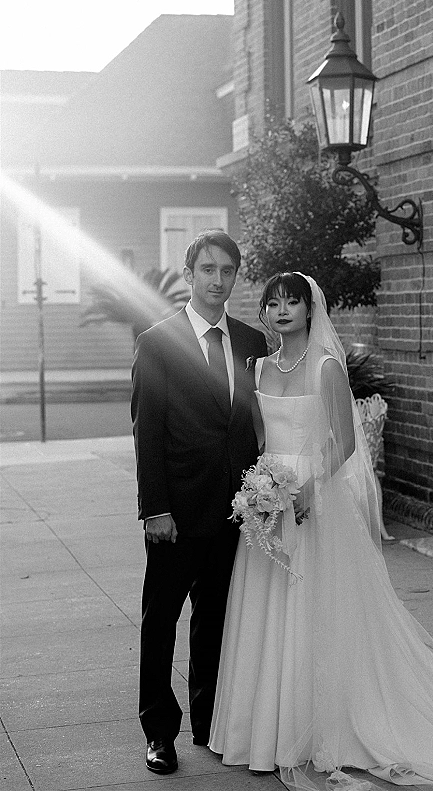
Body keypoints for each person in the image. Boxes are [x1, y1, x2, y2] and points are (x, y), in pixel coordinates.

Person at [209, 271, 433, 791]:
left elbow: (343, 443)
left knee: (317, 615)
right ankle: (265, 732)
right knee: (267, 611)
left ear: (310, 311)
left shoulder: (327, 368)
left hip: (315, 503)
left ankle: (317, 729)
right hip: (270, 508)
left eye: (293, 302)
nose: (283, 311)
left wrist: (307, 489)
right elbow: (261, 438)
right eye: (273, 304)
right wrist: (261, 490)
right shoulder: (260, 369)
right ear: (265, 314)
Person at [131, 229, 267, 774]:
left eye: (227, 271)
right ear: (189, 276)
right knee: (160, 622)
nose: (217, 280)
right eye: (207, 270)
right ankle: (159, 733)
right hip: (177, 512)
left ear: (235, 277)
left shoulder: (252, 342)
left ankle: (209, 723)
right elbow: (149, 432)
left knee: (216, 620)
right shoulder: (157, 341)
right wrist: (154, 508)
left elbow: (258, 426)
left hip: (236, 511)